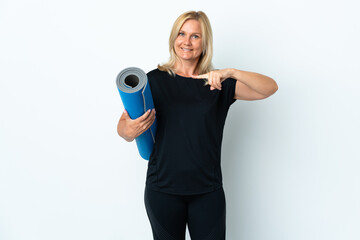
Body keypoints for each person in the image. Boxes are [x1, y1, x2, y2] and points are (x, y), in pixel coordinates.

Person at [117, 10, 278, 240]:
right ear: (174, 38)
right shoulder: (152, 81)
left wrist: (230, 72)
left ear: (205, 43)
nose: (186, 41)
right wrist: (129, 132)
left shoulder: (218, 84)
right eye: (182, 34)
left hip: (207, 192)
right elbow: (123, 126)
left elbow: (269, 88)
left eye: (195, 36)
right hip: (162, 190)